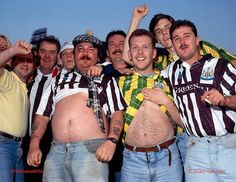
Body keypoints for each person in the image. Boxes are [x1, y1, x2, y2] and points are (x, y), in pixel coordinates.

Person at [122, 4, 236, 164]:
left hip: (223, 132)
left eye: (167, 27)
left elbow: (231, 61)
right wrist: (136, 19)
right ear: (157, 39)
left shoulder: (203, 47)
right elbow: (129, 57)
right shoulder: (162, 61)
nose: (164, 33)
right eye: (158, 31)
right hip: (184, 133)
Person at [27, 33, 126, 182]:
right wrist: (34, 144)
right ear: (74, 55)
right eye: (80, 49)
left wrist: (111, 141)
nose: (85, 53)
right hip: (56, 152)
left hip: (92, 151)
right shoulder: (58, 79)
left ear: (98, 57)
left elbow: (117, 112)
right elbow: (42, 115)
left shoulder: (106, 79)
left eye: (91, 49)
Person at [164, 19, 236, 182]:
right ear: (173, 46)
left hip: (229, 146)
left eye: (187, 36)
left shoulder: (220, 65)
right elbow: (136, 62)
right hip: (196, 150)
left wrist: (224, 100)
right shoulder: (171, 71)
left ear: (197, 40)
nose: (182, 42)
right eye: (176, 38)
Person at [118, 29, 183, 182]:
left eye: (145, 47)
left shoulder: (170, 80)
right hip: (132, 161)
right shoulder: (118, 83)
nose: (140, 52)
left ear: (154, 53)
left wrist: (166, 101)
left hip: (167, 160)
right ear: (130, 54)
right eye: (135, 47)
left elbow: (185, 124)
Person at [23, 35, 61, 182]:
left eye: (52, 52)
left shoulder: (63, 80)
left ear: (57, 56)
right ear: (37, 53)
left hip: (51, 145)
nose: (47, 56)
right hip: (26, 142)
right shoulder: (26, 77)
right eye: (43, 51)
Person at [0, 40, 34, 182]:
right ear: (12, 62)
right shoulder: (7, 79)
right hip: (3, 146)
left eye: (29, 60)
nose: (25, 63)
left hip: (18, 148)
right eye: (20, 59)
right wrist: (13, 50)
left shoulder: (26, 86)